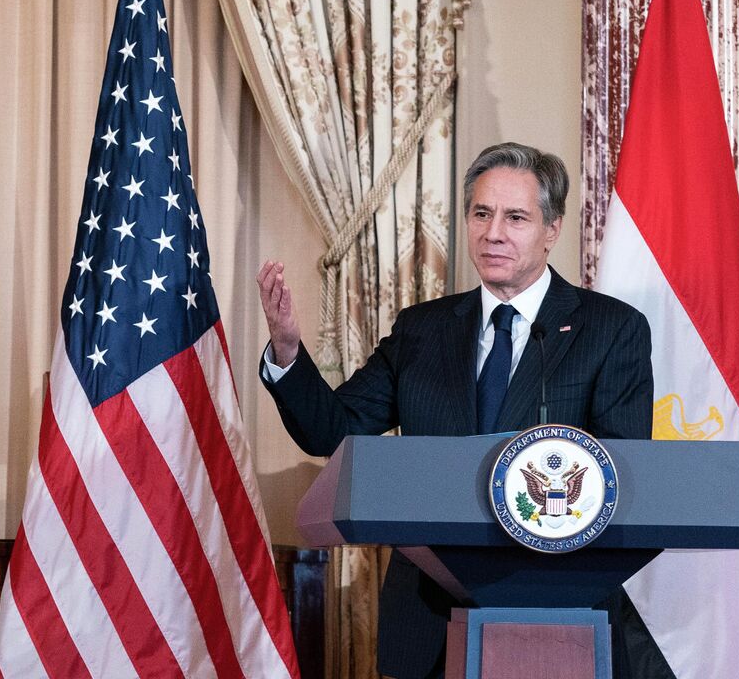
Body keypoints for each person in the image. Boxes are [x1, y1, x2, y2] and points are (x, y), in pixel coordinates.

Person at [257, 142, 660, 679]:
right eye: (481, 213)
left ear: (552, 229)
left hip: (554, 615)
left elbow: (620, 471)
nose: (494, 232)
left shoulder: (611, 330)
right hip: (427, 616)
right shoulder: (422, 329)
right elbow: (335, 430)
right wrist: (287, 351)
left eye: (516, 217)